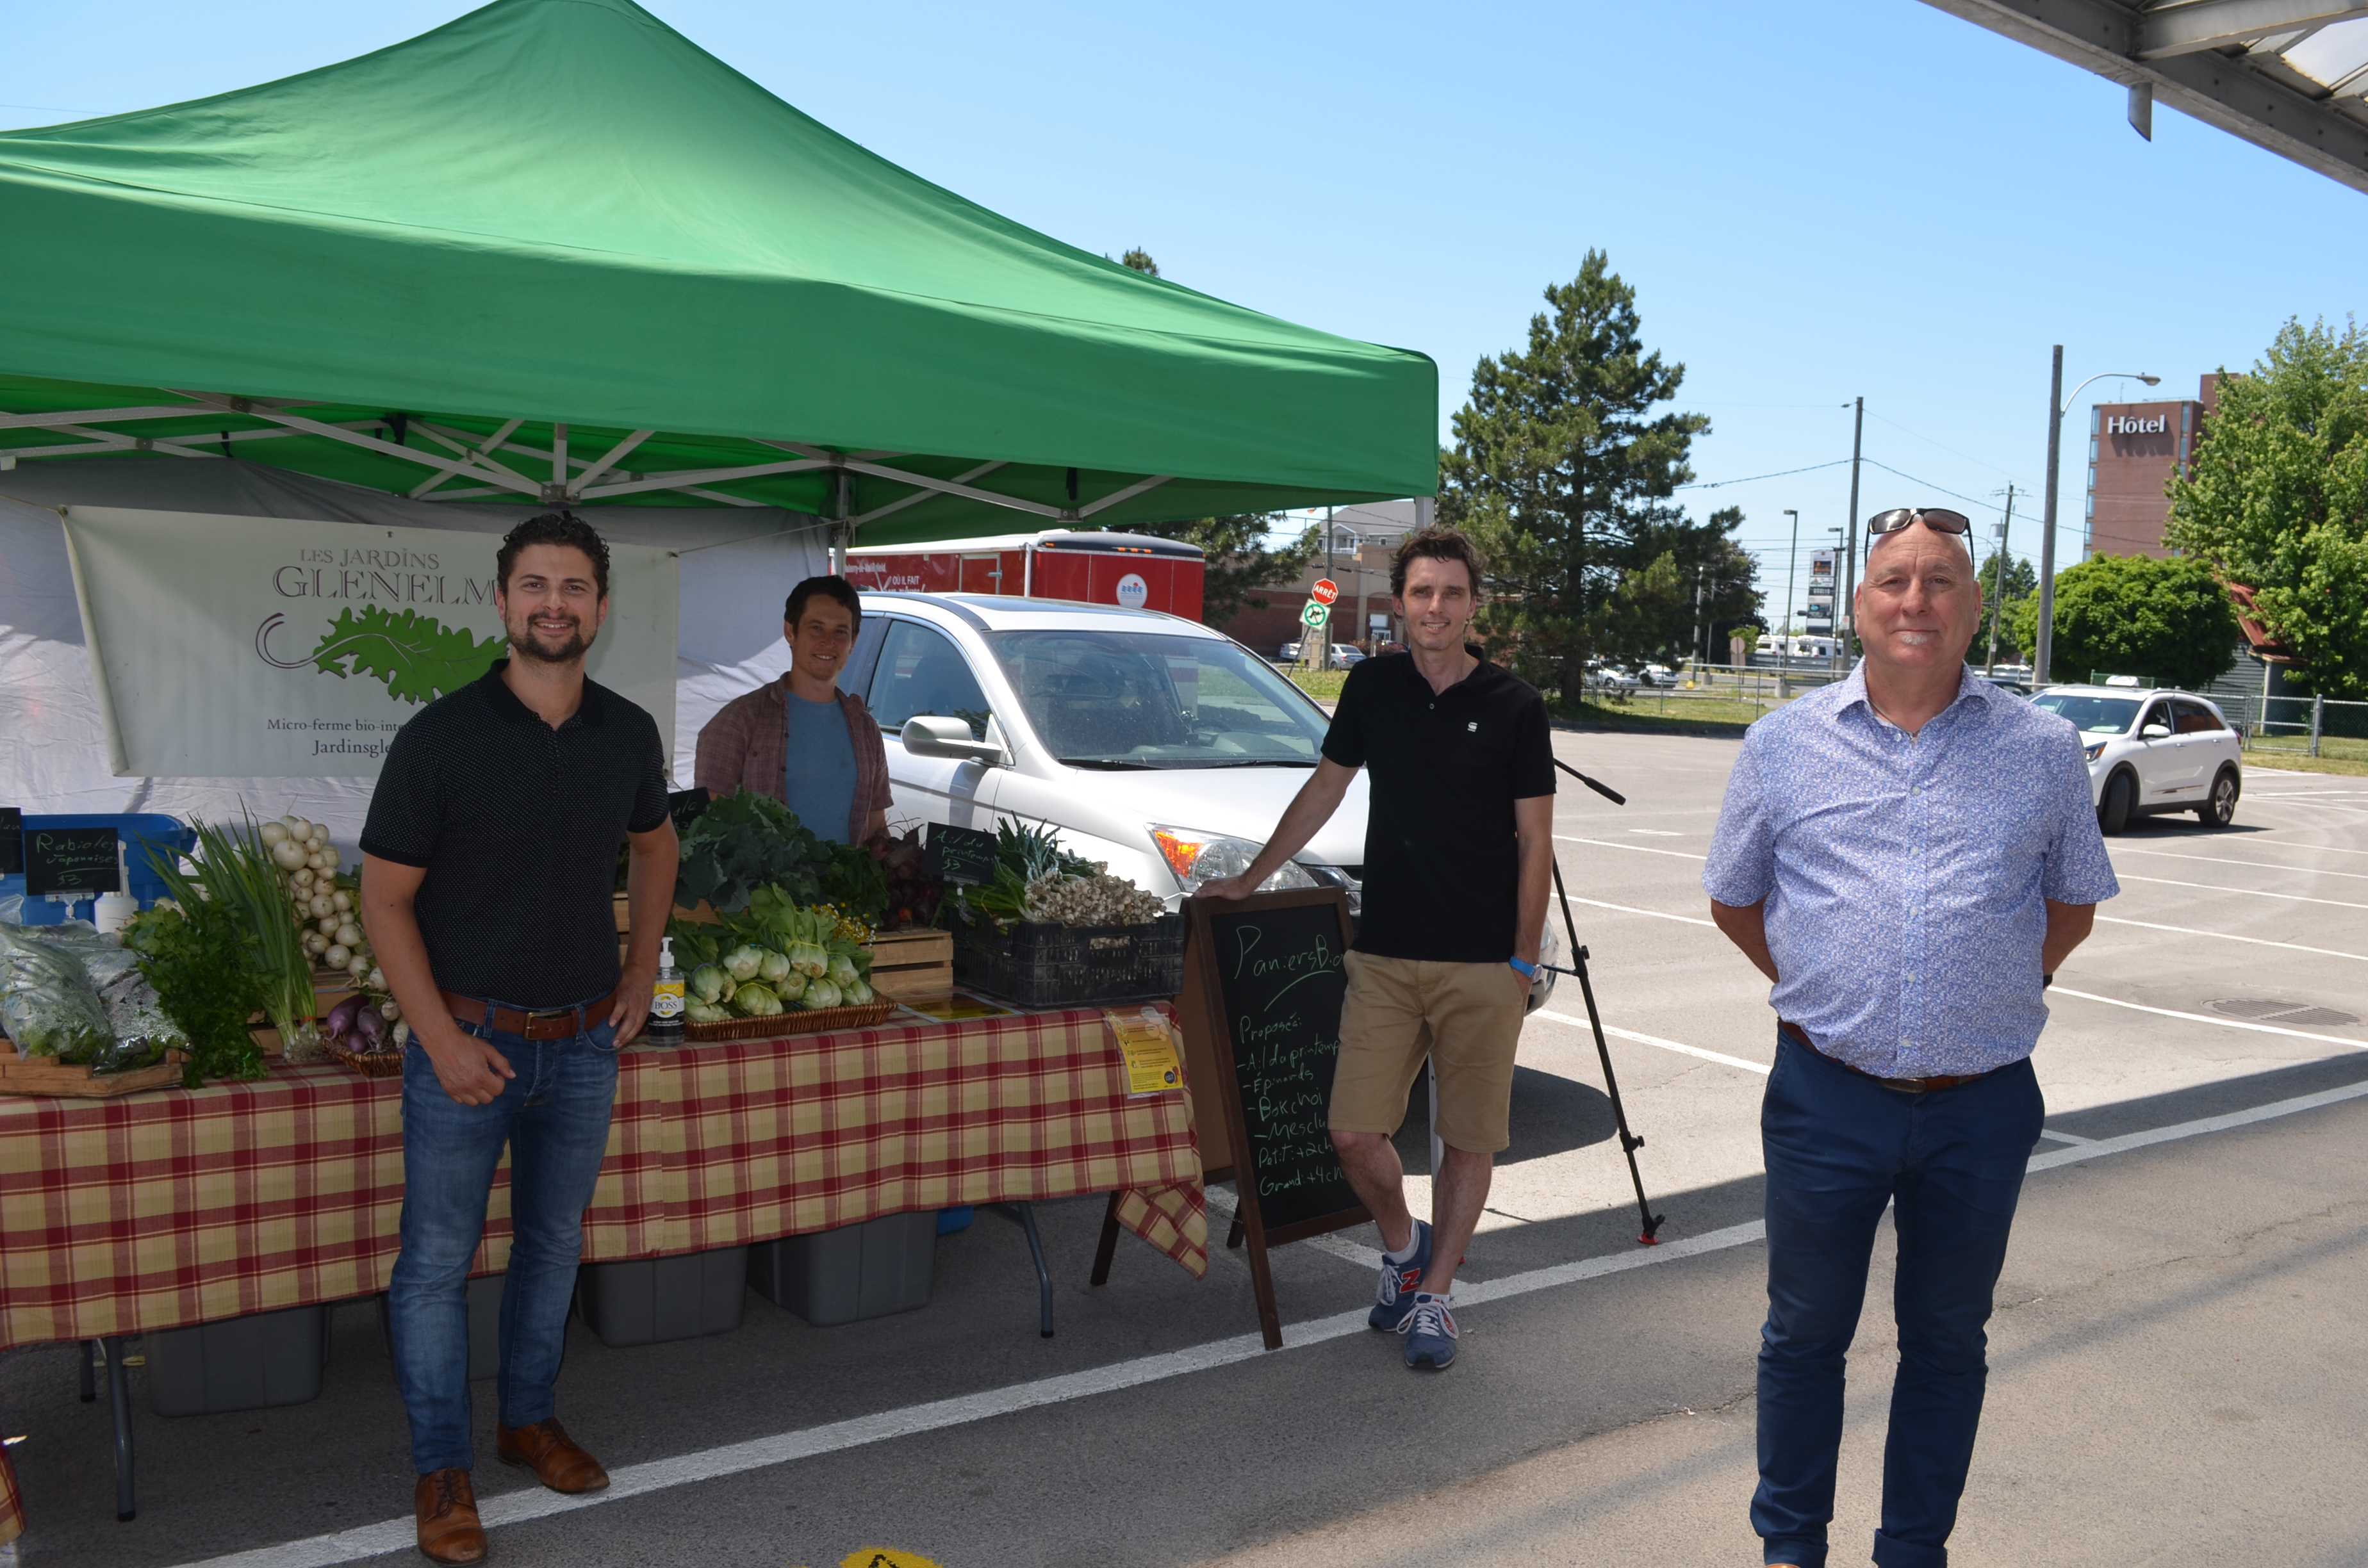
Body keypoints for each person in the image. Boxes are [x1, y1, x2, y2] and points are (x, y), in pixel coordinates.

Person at [1701, 507, 2119, 1568]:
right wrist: (1822, 988)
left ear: (1976, 606)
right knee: (1802, 1337)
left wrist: (1986, 992)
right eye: (1893, 579)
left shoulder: (2043, 747)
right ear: (1859, 602)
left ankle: (1911, 1550)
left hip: (1981, 1105)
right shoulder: (1782, 744)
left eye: (1940, 581)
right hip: (1824, 1095)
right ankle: (1789, 1544)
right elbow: (1734, 900)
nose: (1915, 600)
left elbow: (2072, 903)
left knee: (1946, 1341)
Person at [360, 512, 678, 1565]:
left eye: (576, 586)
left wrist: (640, 970)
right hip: (470, 1049)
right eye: (535, 584)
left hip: (584, 1042)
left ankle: (526, 1418)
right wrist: (440, 1037)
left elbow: (656, 844)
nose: (556, 603)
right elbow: (384, 900)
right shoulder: (439, 737)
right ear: (500, 601)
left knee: (550, 1248)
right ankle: (442, 1467)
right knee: (436, 1264)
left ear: (600, 603)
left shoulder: (628, 732)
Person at [1199, 525, 1554, 1371]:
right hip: (1386, 955)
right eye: (1422, 592)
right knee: (1352, 1133)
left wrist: (1521, 959)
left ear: (1473, 605)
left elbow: (1535, 842)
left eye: (1453, 593)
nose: (1437, 607)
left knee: (1469, 1141)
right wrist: (1251, 879)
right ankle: (1404, 1251)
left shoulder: (1514, 706)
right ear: (1400, 604)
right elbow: (1326, 788)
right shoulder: (1371, 688)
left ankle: (1435, 1297)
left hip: (1481, 966)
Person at [695, 574, 892, 845]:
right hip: (766, 888)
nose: (828, 642)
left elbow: (876, 828)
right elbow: (709, 826)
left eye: (840, 632)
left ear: (853, 641)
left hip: (844, 888)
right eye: (816, 628)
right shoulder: (738, 722)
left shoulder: (865, 729)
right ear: (791, 631)